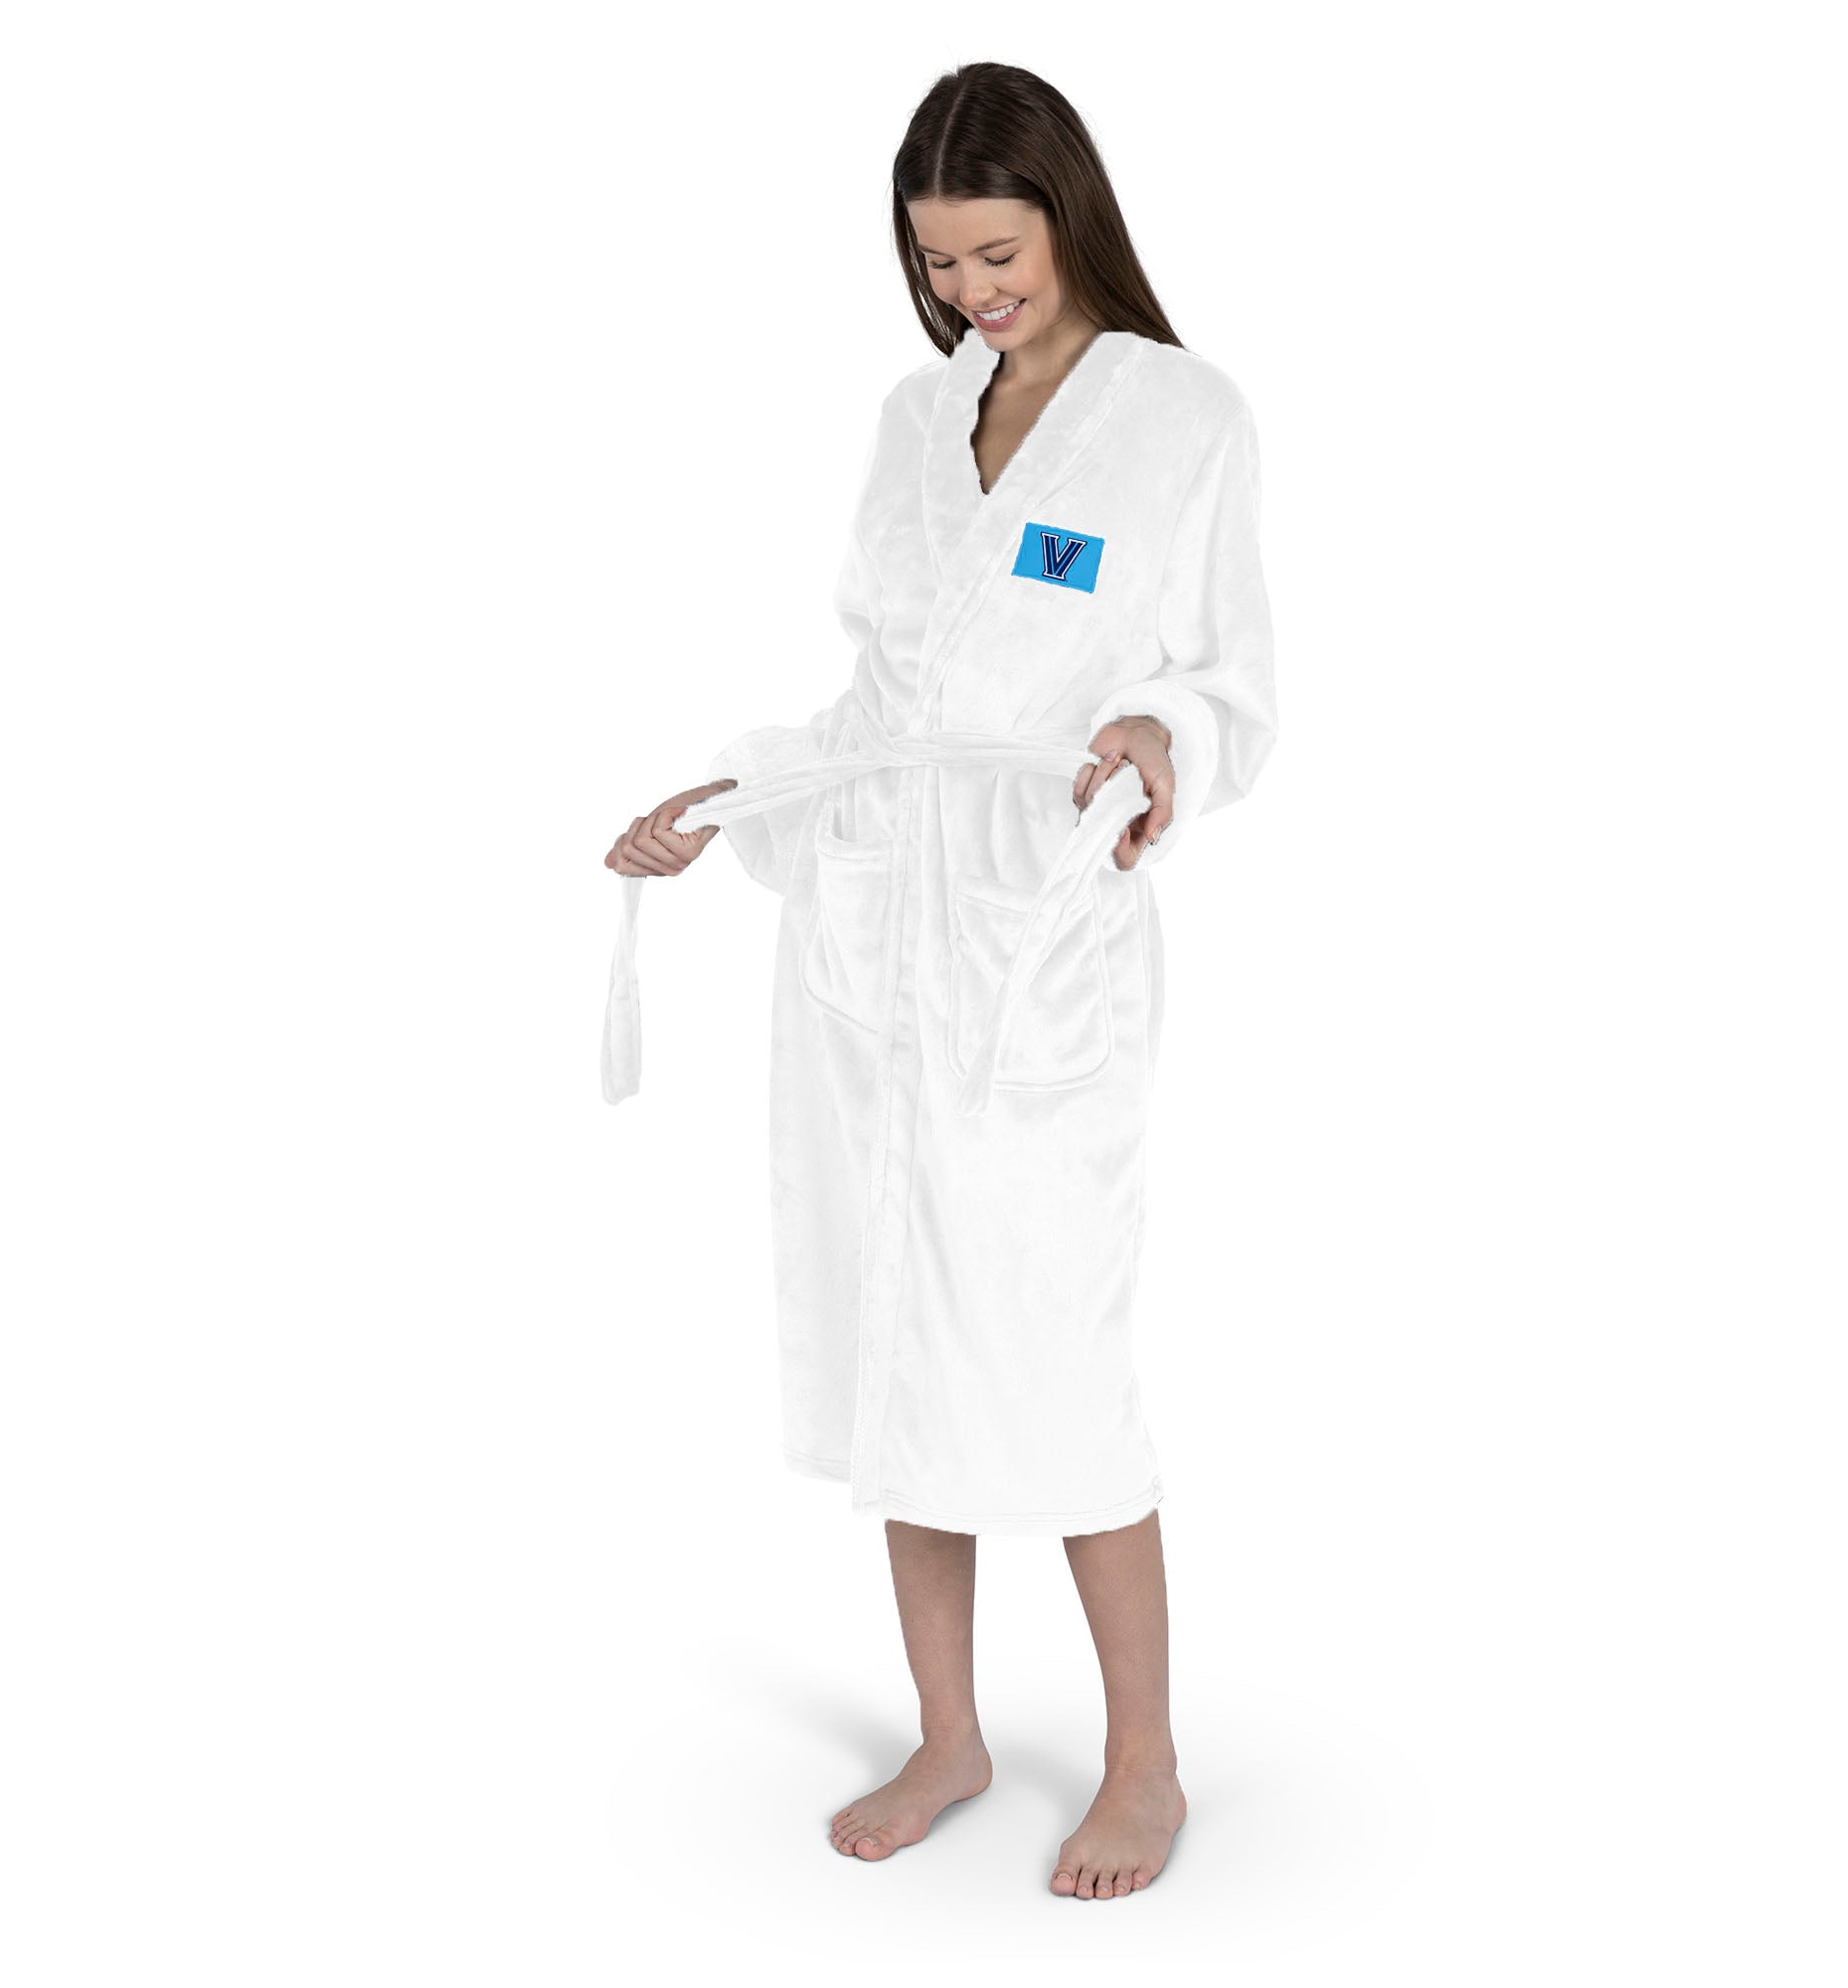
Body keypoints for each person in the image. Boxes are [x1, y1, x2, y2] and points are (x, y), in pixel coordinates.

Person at [601, 62, 1276, 1900]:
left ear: (1070, 214)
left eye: (997, 252)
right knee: (897, 1350)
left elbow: (1231, 679)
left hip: (1031, 946)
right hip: (873, 944)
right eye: (939, 262)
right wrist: (724, 799)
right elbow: (875, 704)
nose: (972, 290)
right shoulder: (915, 420)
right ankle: (952, 1734)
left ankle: (1145, 1766)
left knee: (1057, 1364)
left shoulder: (1181, 417)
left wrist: (1161, 735)